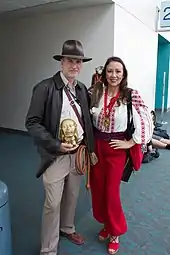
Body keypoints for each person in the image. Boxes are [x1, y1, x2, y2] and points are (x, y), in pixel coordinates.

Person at [25, 40, 95, 255]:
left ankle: (67, 228)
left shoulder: (82, 89)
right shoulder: (45, 87)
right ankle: (48, 249)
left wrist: (90, 149)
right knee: (53, 204)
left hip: (78, 154)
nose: (75, 65)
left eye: (79, 61)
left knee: (72, 196)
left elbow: (87, 120)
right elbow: (32, 122)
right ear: (61, 62)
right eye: (70, 61)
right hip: (56, 156)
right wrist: (55, 144)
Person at [89, 56, 153, 254]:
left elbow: (145, 119)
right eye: (110, 71)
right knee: (98, 190)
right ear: (104, 73)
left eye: (118, 71)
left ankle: (115, 231)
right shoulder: (96, 93)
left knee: (111, 192)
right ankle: (107, 224)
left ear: (123, 74)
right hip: (97, 147)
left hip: (117, 150)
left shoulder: (131, 95)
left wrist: (130, 142)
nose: (113, 75)